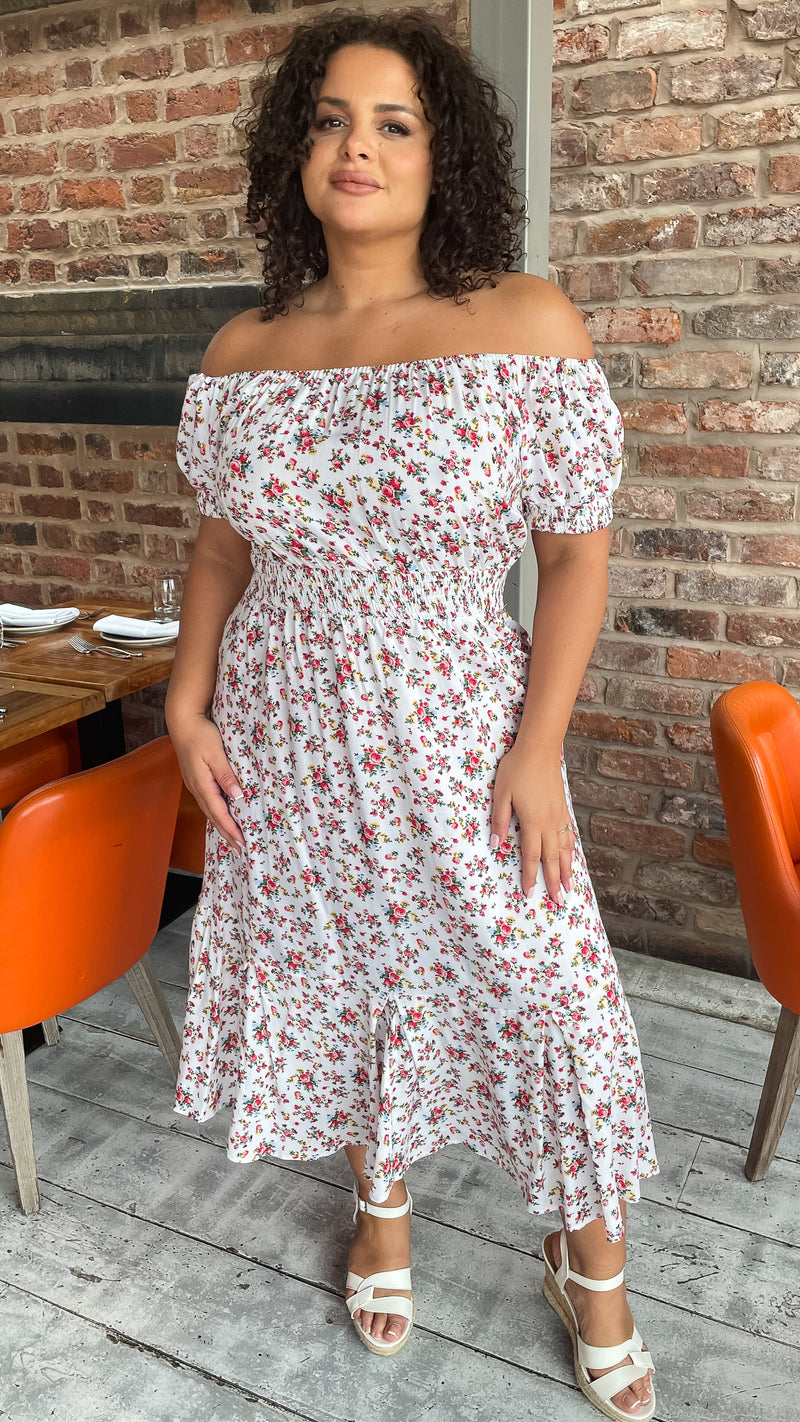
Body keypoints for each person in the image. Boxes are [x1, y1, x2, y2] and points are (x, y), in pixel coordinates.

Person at [165, 11, 658, 1419]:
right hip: (289, 733)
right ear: (295, 149)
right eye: (330, 119)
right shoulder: (245, 349)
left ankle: (594, 1268)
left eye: (394, 123)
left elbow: (575, 557)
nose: (357, 147)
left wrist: (539, 747)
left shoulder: (522, 322)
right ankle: (379, 1209)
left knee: (548, 991)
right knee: (349, 972)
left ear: (447, 157)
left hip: (466, 731)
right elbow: (221, 549)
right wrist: (189, 704)